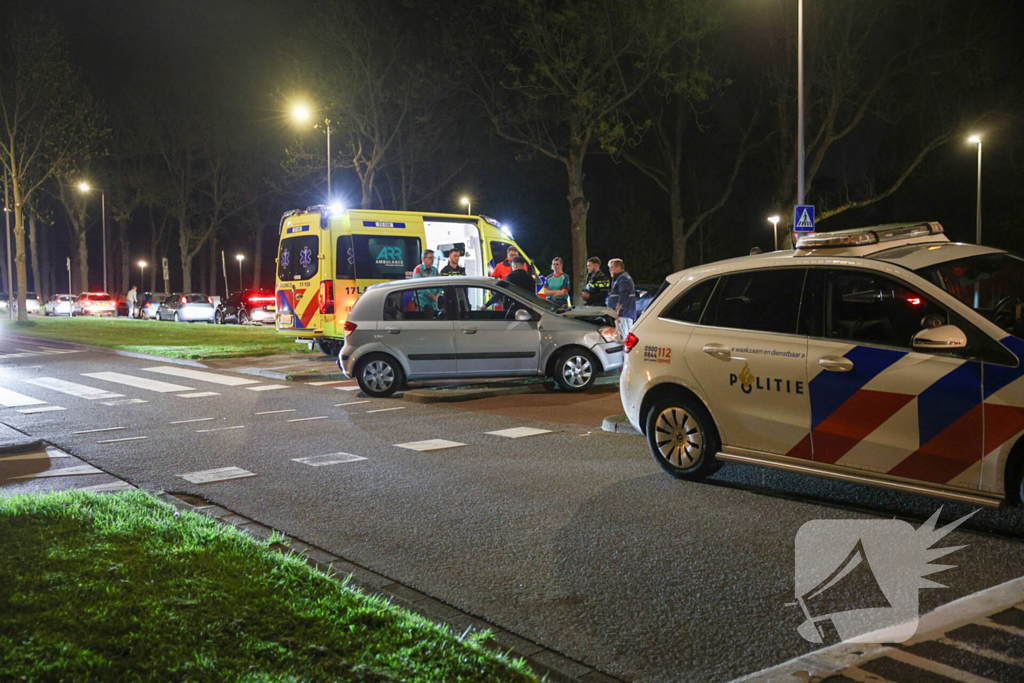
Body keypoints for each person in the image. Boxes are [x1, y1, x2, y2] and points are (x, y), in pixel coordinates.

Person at [606, 258, 637, 325]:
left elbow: (623, 294)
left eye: (611, 267)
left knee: (622, 334)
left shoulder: (623, 279)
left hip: (623, 315)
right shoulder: (622, 278)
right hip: (623, 314)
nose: (610, 270)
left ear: (618, 268)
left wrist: (617, 309)